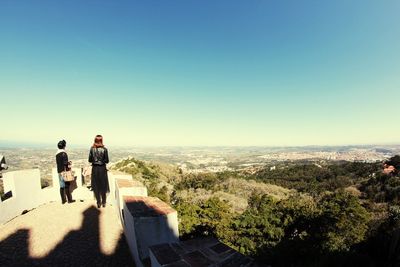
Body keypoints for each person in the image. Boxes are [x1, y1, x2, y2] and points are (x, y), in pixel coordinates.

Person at [89, 135, 109, 208]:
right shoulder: (105, 149)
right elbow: (107, 160)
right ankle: (104, 202)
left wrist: (95, 160)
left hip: (95, 169)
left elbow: (89, 160)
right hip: (102, 169)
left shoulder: (92, 149)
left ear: (95, 140)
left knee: (96, 186)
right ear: (101, 140)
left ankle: (98, 202)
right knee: (103, 185)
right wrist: (101, 160)